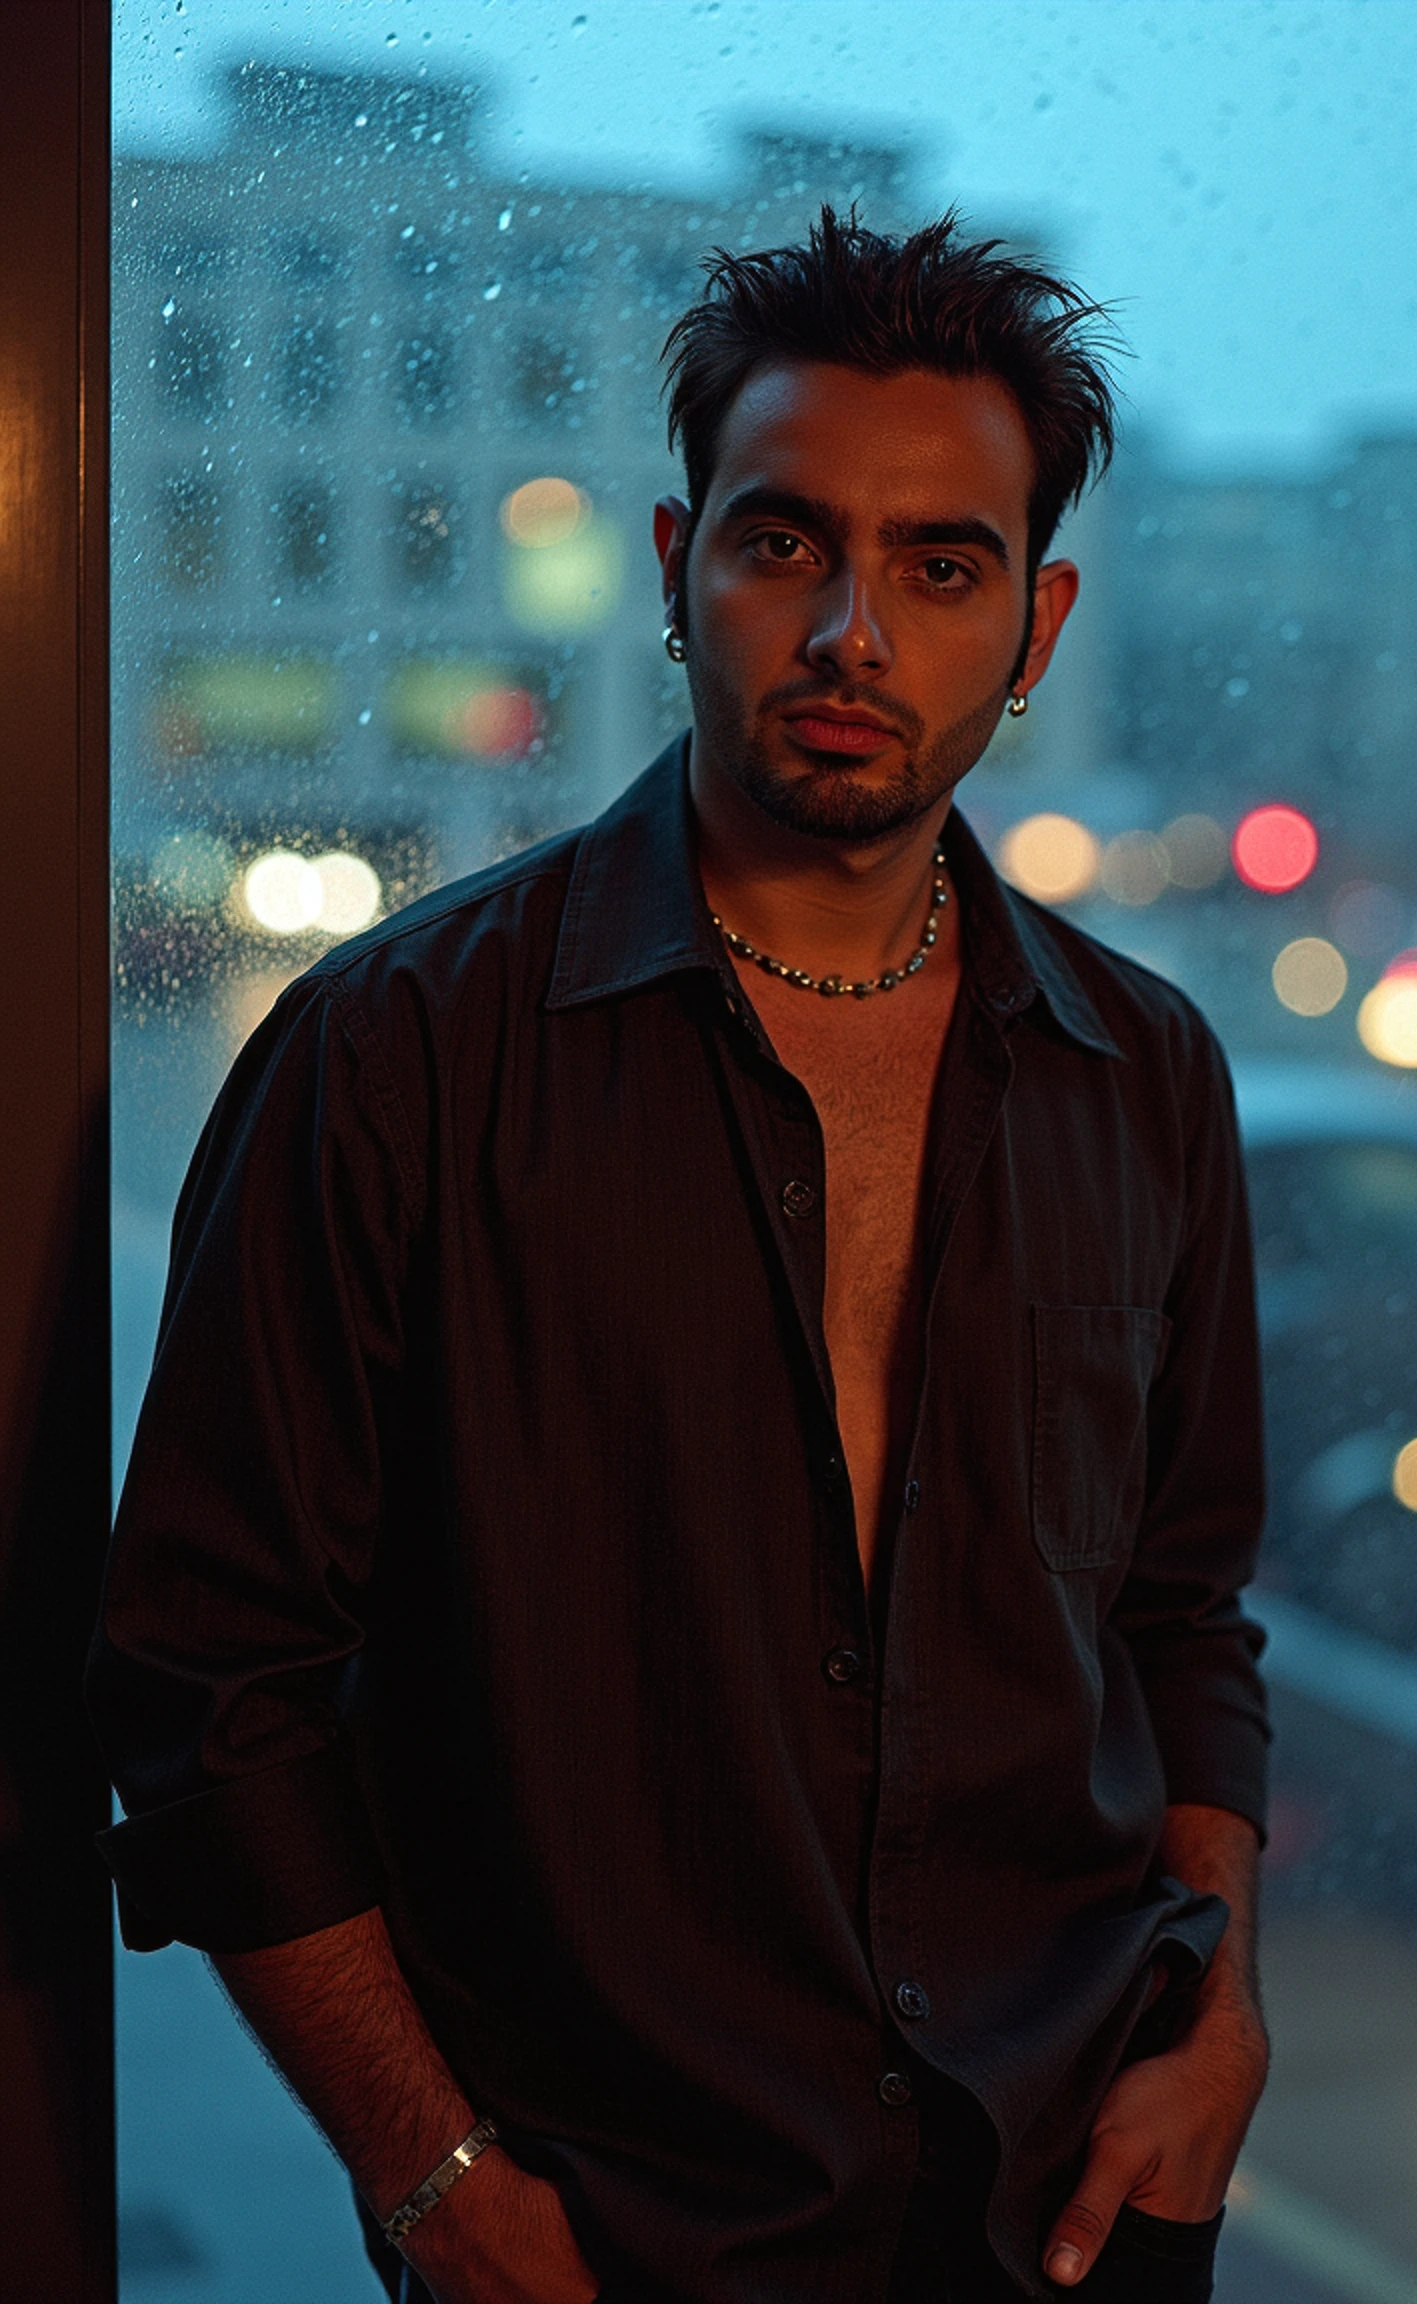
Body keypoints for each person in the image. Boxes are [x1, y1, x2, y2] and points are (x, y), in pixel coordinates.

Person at [88, 210, 1270, 2304]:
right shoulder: (396, 1059)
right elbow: (209, 1703)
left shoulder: (1140, 1074)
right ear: (669, 568)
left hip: (1070, 2209)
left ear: (1039, 617)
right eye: (778, 542)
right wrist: (432, 2179)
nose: (849, 633)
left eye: (938, 566)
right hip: (606, 2237)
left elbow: (1181, 1614)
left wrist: (1221, 2013)